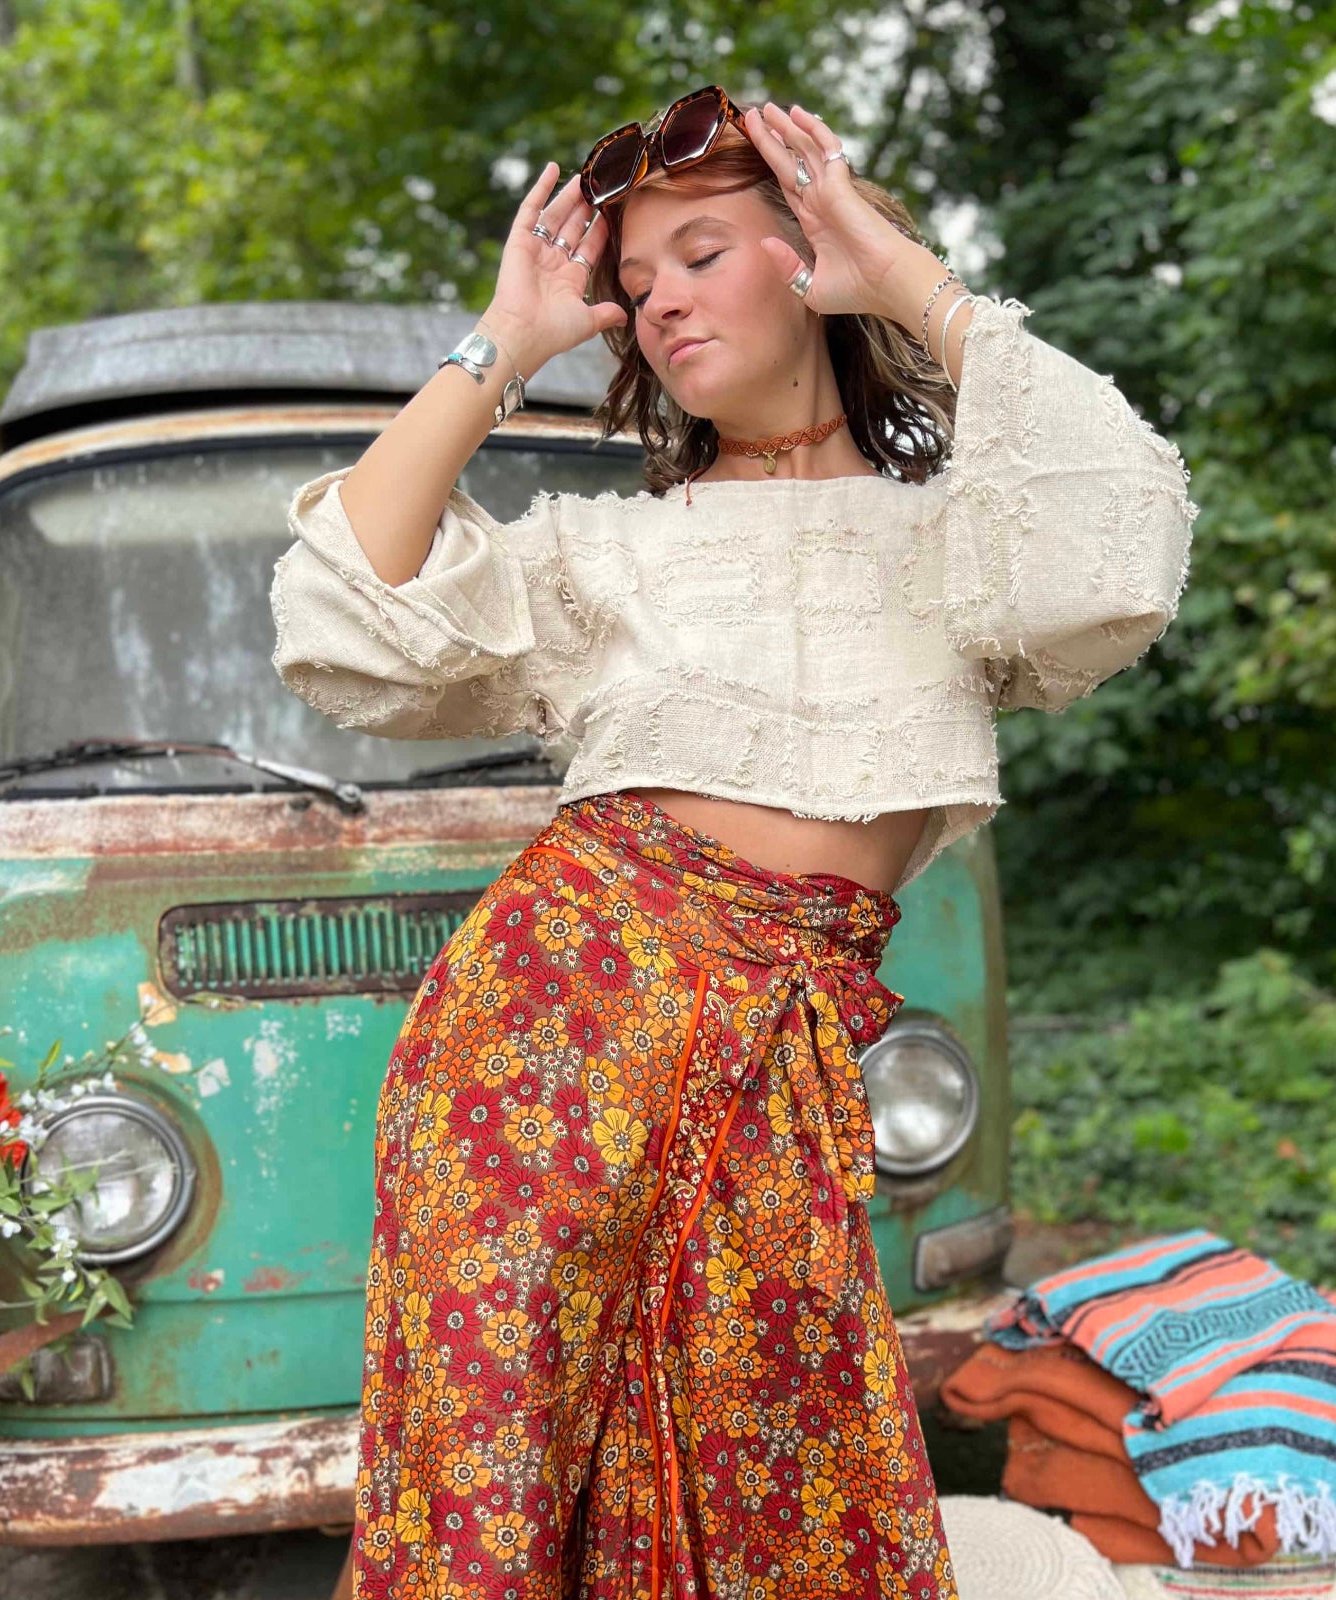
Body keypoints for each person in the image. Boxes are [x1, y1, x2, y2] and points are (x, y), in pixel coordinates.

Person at [272, 87, 1198, 1600]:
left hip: (778, 1058)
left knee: (782, 1478)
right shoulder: (606, 552)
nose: (660, 305)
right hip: (540, 1051)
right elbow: (344, 617)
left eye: (704, 253)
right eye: (635, 286)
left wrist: (904, 274)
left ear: (809, 255)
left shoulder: (964, 540)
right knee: (489, 1478)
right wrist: (502, 343)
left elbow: (1119, 546)